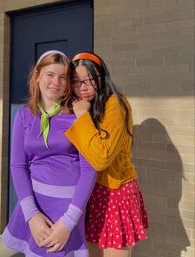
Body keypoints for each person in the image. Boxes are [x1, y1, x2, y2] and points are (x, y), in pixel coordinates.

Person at [2, 50, 96, 257]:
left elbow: (89, 170)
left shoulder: (77, 115)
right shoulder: (24, 115)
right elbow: (18, 166)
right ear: (37, 75)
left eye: (63, 77)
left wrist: (69, 221)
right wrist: (32, 215)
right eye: (50, 74)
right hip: (35, 206)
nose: (56, 82)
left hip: (69, 208)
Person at [64, 52, 148, 257]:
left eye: (89, 80)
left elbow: (102, 158)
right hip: (91, 192)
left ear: (101, 77)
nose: (82, 87)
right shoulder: (81, 104)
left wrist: (82, 114)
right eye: (76, 82)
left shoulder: (115, 104)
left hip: (115, 191)